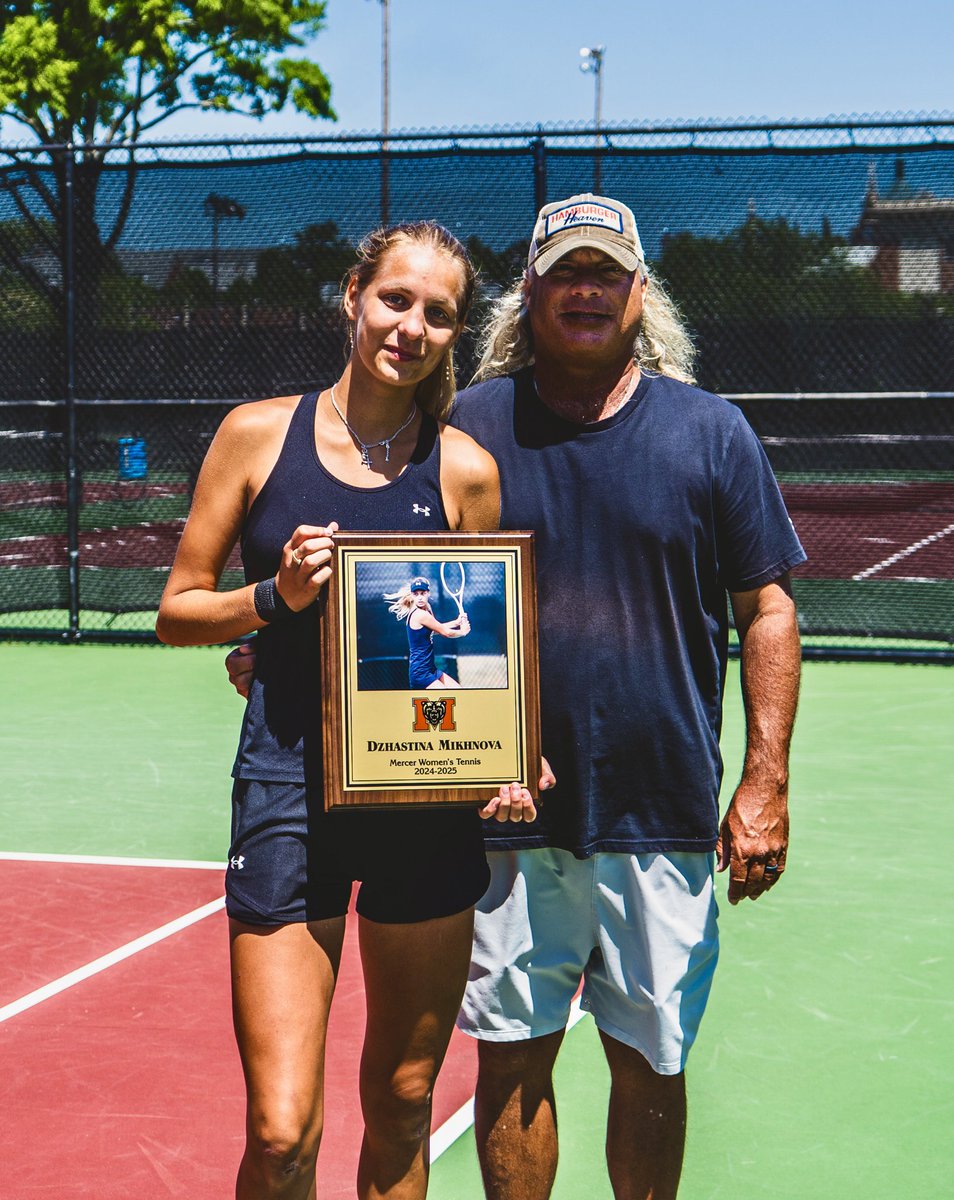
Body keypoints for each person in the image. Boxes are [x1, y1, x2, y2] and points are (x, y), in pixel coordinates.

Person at [228, 192, 806, 1200]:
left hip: (660, 809)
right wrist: (293, 646)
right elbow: (392, 578)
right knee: (509, 1063)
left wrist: (763, 781)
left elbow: (768, 609)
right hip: (494, 816)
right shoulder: (460, 425)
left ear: (639, 293)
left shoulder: (712, 433)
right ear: (529, 291)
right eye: (565, 272)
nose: (586, 290)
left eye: (607, 274)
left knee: (652, 1066)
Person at [156, 220, 538, 1200]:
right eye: (395, 299)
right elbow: (177, 611)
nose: (410, 326)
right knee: (282, 1132)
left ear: (456, 335)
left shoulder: (466, 471)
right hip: (289, 787)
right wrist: (274, 598)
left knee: (406, 1101)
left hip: (422, 794)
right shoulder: (256, 434)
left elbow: (475, 655)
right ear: (354, 297)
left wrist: (507, 752)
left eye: (439, 314)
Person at [385, 575, 471, 687]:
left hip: (431, 670)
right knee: (447, 700)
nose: (420, 597)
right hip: (420, 674)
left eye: (423, 593)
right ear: (412, 595)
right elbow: (446, 632)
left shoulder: (427, 608)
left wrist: (456, 622)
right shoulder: (420, 615)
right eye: (416, 594)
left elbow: (434, 629)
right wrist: (462, 632)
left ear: (428, 593)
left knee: (459, 692)